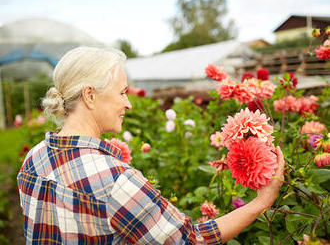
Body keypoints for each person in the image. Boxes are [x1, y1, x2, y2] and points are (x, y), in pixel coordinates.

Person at [17, 47, 285, 244]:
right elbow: (190, 240)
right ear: (90, 95)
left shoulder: (34, 159)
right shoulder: (114, 180)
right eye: (122, 92)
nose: (128, 103)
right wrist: (261, 202)